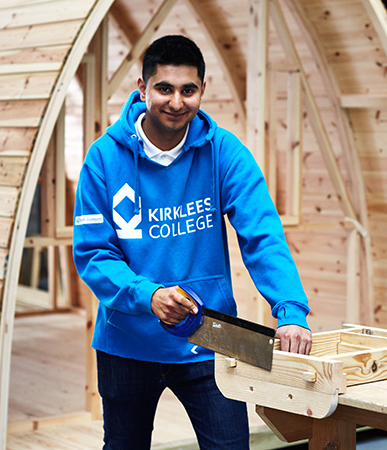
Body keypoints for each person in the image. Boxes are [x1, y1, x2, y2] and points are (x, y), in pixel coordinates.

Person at [72, 34, 313, 449]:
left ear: (203, 89)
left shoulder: (224, 152)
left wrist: (290, 310)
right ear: (142, 88)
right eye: (164, 88)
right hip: (126, 341)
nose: (176, 101)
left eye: (188, 90)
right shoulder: (103, 158)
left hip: (209, 337)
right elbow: (94, 253)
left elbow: (262, 234)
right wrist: (148, 296)